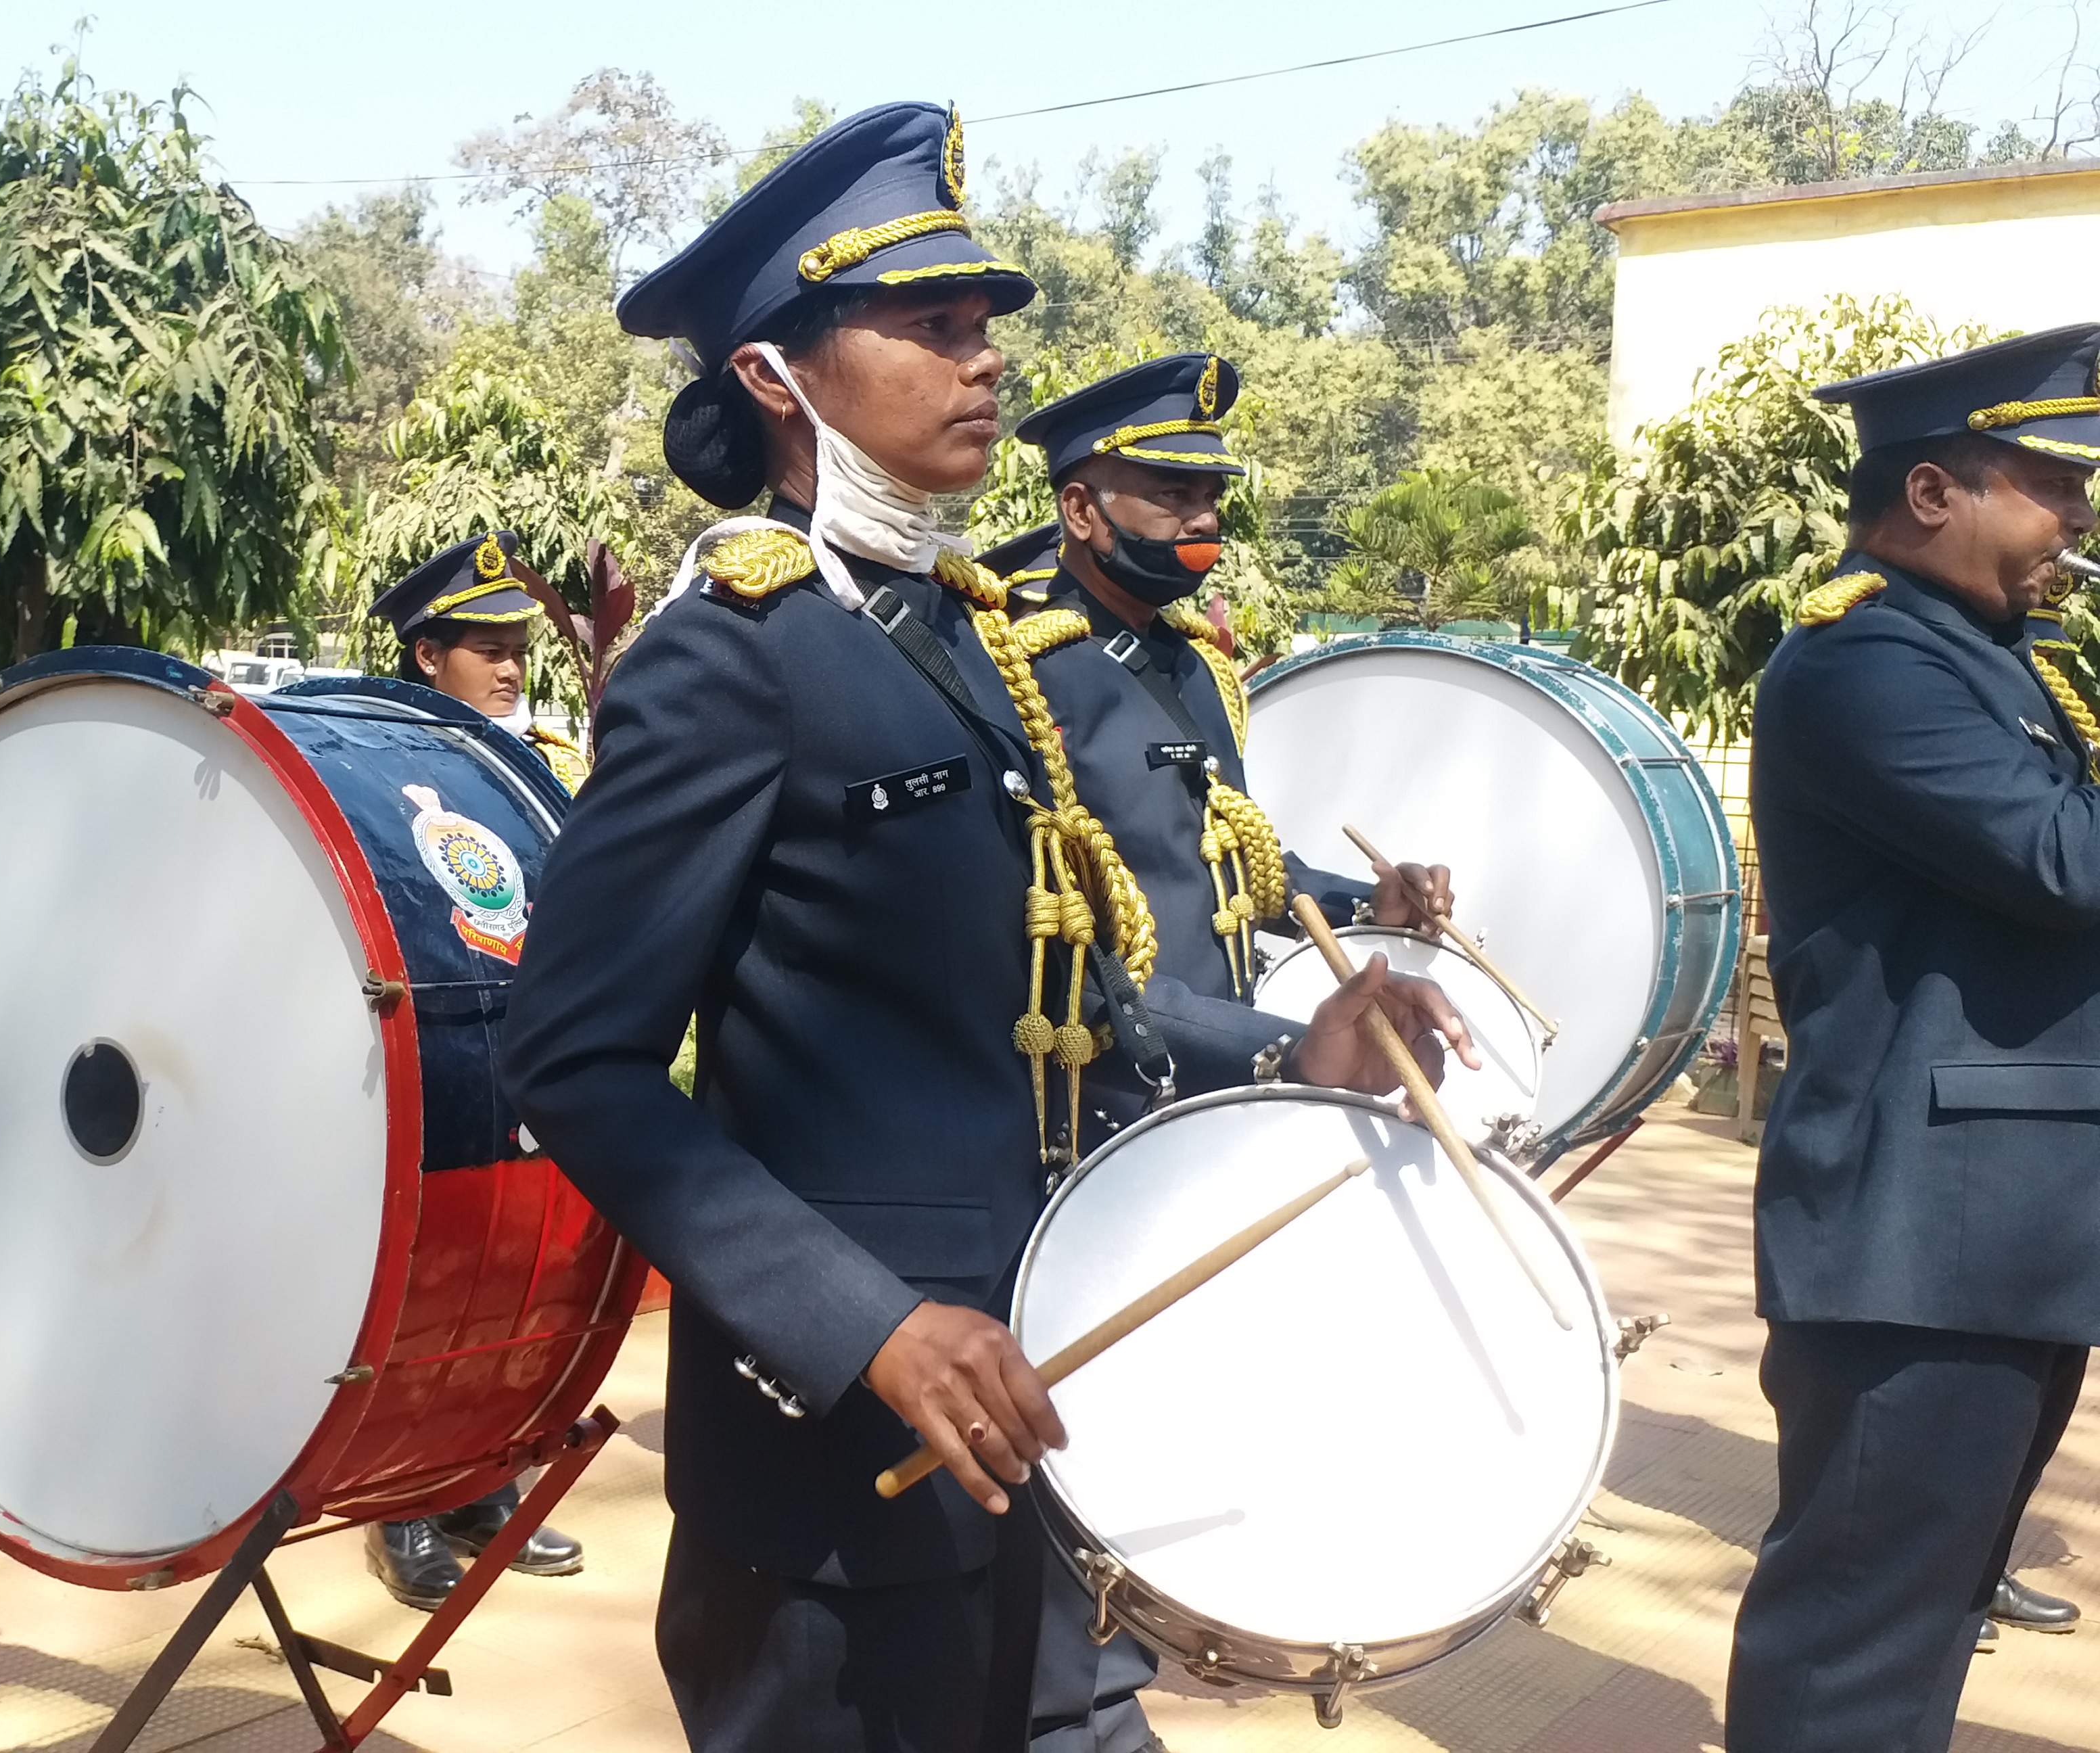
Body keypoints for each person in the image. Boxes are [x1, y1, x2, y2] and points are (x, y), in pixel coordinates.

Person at [500, 101, 1476, 1753]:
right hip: (832, 1477)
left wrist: (1284, 1049)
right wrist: (859, 1322)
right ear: (774, 373)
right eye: (931, 329)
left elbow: (1062, 1001)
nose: (983, 365)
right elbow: (575, 1057)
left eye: (985, 330)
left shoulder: (961, 639)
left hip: (1036, 1407)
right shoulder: (730, 652)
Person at [1724, 322, 2100, 1752]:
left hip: (1997, 1233)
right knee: (1857, 1643)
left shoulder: (1991, 658)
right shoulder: (1863, 667)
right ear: (1933, 492)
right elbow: (2066, 863)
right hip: (1914, 1240)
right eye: (2048, 483)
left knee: (1924, 1620)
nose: (2076, 518)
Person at [977, 354, 1455, 1139]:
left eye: (1209, 497)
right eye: (1172, 495)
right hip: (1094, 1099)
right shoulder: (1021, 669)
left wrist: (1368, 903)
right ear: (1081, 510)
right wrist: (1279, 1048)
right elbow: (1051, 936)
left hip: (1211, 1078)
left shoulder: (1195, 663)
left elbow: (1228, 855)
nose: (1203, 521)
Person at [352, 529, 591, 1609]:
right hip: (433, 1052)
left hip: (528, 1044)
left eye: (516, 646)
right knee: (416, 1277)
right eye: (483, 646)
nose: (508, 666)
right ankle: (400, 1505)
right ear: (424, 658)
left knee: (512, 1273)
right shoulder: (378, 766)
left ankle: (483, 1481)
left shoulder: (537, 763)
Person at [374, 530, 592, 793]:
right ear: (428, 656)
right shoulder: (386, 758)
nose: (511, 672)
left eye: (519, 654)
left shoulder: (553, 766)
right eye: (491, 653)